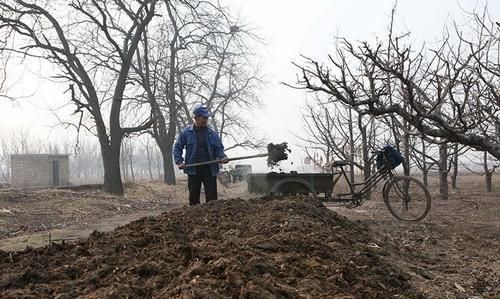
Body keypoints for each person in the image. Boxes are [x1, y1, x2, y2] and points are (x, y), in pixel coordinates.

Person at [173, 106, 229, 206]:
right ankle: (194, 218)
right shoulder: (186, 133)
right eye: (204, 118)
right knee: (194, 198)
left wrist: (222, 157)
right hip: (193, 169)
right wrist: (179, 161)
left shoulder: (211, 133)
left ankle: (212, 217)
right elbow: (177, 147)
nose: (206, 120)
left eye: (207, 118)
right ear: (197, 118)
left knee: (212, 200)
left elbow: (219, 149)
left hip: (209, 169)